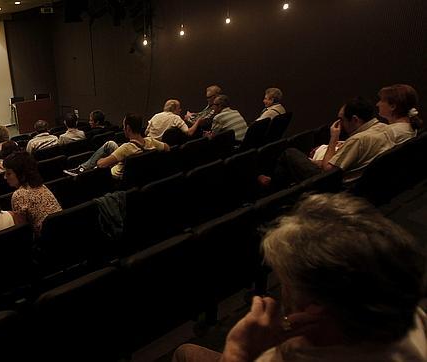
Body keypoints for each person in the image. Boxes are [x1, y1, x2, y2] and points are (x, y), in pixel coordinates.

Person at [172, 192, 426, 362]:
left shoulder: (298, 354)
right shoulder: (409, 311)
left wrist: (237, 351)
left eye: (285, 280)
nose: (282, 290)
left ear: (315, 305)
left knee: (186, 352)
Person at [260, 97, 395, 188]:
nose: (340, 123)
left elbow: (327, 172)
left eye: (341, 119)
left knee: (290, 153)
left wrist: (333, 138)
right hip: (359, 182)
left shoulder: (359, 140)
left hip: (334, 187)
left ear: (355, 119)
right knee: (307, 161)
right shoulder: (384, 128)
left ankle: (272, 187)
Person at [63, 113, 169, 178]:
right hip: (137, 169)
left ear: (128, 128)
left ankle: (81, 169)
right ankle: (82, 167)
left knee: (98, 163)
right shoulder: (151, 141)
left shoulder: (126, 148)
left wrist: (102, 160)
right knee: (110, 144)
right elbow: (167, 147)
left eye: (124, 126)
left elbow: (102, 165)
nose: (123, 129)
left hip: (115, 175)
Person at [3, 151, 62, 236]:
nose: (5, 177)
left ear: (22, 174)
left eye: (8, 173)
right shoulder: (41, 185)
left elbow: (23, 231)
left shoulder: (19, 195)